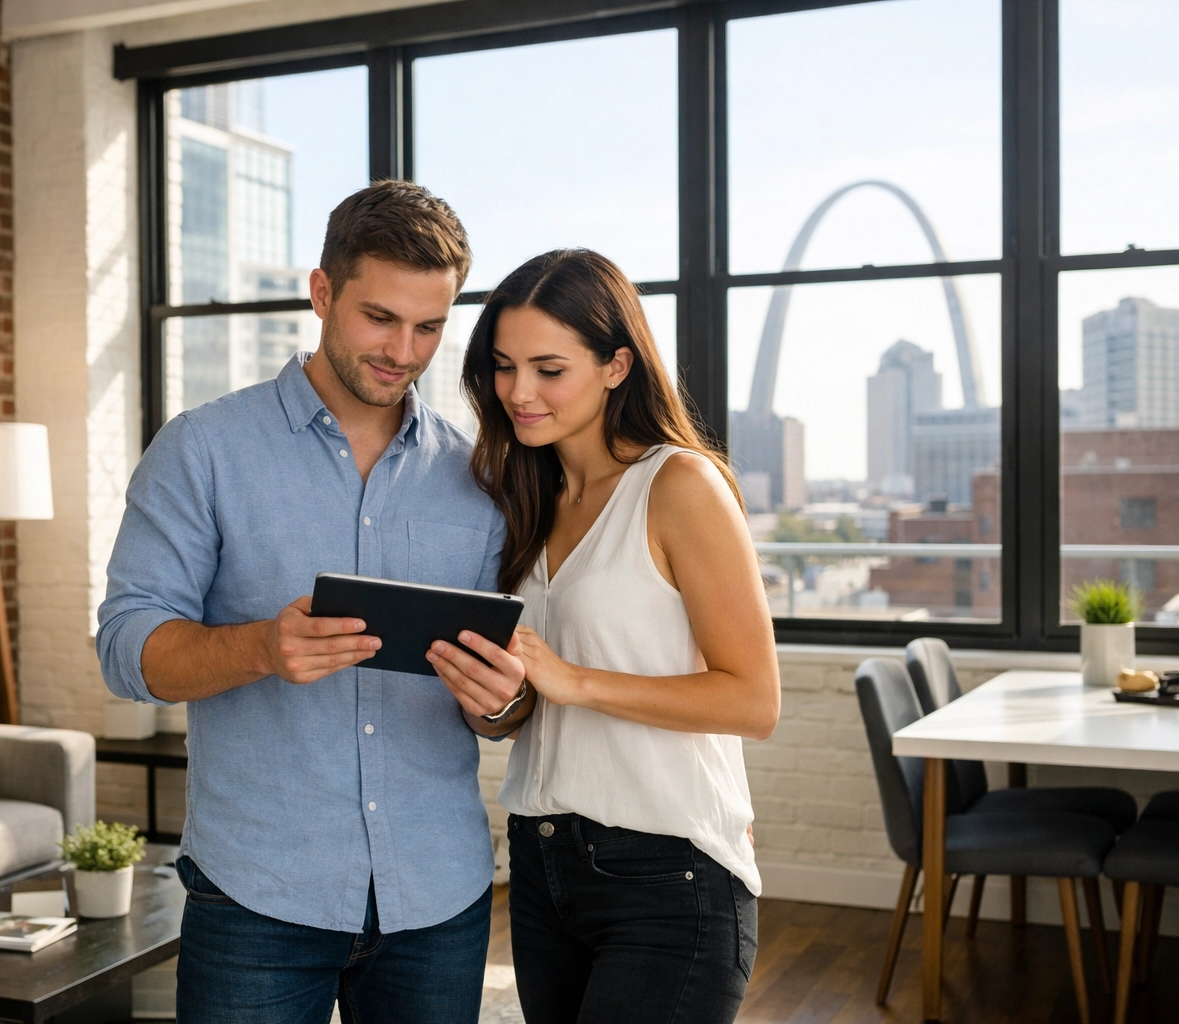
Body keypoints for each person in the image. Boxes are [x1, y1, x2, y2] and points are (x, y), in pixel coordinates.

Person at [96, 180, 529, 1024]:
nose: (403, 350)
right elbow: (124, 649)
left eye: (429, 327)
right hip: (258, 894)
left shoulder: (480, 479)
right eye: (379, 317)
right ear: (322, 293)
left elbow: (498, 709)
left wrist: (502, 702)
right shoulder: (204, 450)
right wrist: (259, 647)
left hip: (435, 897)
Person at [423, 249, 779, 1024]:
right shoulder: (526, 497)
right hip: (543, 864)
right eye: (505, 366)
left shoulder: (679, 484)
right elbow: (525, 706)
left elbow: (754, 700)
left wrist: (575, 679)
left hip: (667, 877)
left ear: (617, 365)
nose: (519, 392)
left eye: (550, 369)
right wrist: (494, 703)